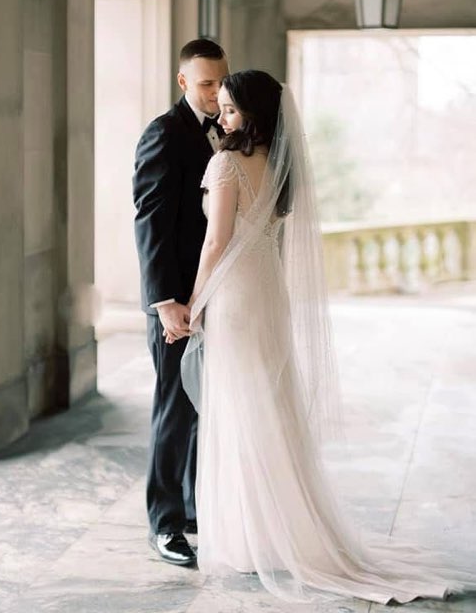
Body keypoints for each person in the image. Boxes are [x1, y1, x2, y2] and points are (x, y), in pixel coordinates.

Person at [176, 70, 476, 605]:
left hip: (237, 295)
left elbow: (216, 240)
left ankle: (251, 538)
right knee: (269, 405)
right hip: (267, 289)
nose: (222, 117)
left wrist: (195, 302)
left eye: (231, 109)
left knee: (242, 408)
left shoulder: (225, 163)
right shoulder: (281, 166)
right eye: (220, 107)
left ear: (255, 113)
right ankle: (278, 530)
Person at [132, 38, 229, 568]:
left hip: (217, 291)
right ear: (184, 81)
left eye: (221, 81)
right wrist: (165, 302)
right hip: (177, 301)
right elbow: (151, 221)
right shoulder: (164, 132)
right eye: (206, 82)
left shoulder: (228, 132)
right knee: (174, 406)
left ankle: (192, 507)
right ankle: (164, 522)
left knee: (202, 402)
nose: (215, 92)